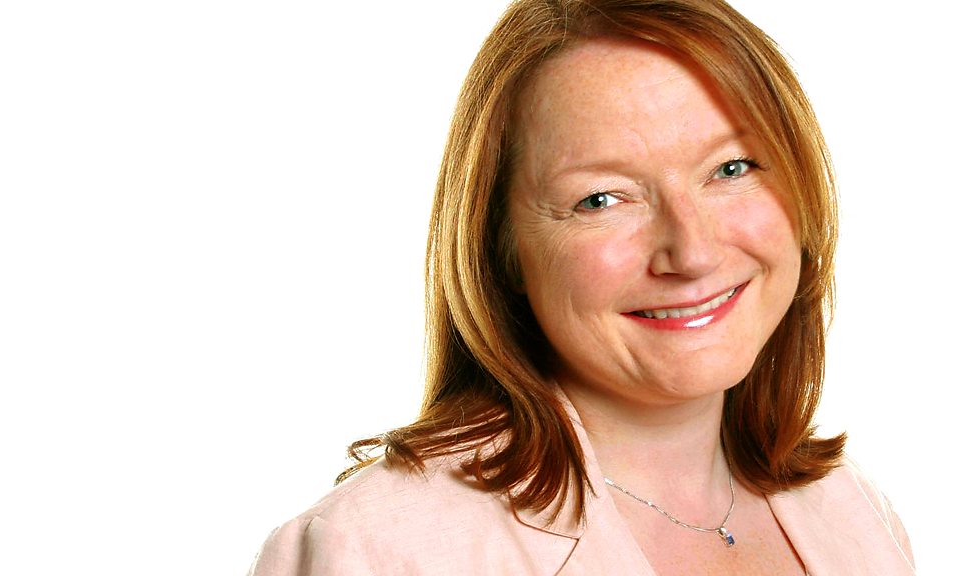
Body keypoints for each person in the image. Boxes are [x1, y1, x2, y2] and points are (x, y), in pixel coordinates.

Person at [250, 0, 915, 573]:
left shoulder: (852, 510)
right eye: (601, 199)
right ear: (502, 250)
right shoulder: (374, 551)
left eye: (732, 167)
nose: (692, 251)